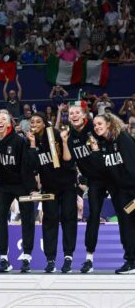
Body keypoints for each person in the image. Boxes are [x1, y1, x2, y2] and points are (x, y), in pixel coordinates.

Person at [61, 105, 114, 273]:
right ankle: (89, 259)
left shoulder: (95, 126)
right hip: (94, 181)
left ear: (84, 115)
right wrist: (63, 141)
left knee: (127, 214)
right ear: (68, 117)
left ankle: (131, 257)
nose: (74, 115)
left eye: (77, 112)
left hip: (113, 176)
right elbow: (68, 161)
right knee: (93, 216)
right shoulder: (69, 135)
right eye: (71, 113)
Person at [0, 109, 36, 273]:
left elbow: (27, 167)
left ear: (9, 123)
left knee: (27, 218)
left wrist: (32, 188)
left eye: (3, 119)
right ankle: (4, 258)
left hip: (22, 184)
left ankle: (27, 256)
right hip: (4, 185)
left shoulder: (19, 141)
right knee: (0, 218)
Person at [26, 112, 77, 273]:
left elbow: (67, 159)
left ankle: (68, 257)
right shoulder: (31, 141)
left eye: (38, 121)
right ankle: (50, 260)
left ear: (45, 123)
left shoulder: (54, 134)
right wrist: (32, 144)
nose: (34, 123)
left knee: (68, 219)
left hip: (67, 184)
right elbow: (33, 166)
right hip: (49, 188)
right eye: (32, 121)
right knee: (49, 222)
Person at [92, 113, 135, 274]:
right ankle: (131, 261)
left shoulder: (122, 138)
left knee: (129, 226)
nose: (96, 127)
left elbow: (132, 165)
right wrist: (96, 152)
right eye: (95, 125)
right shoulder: (103, 144)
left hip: (132, 191)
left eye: (100, 123)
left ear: (109, 123)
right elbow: (104, 171)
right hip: (119, 194)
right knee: (126, 226)